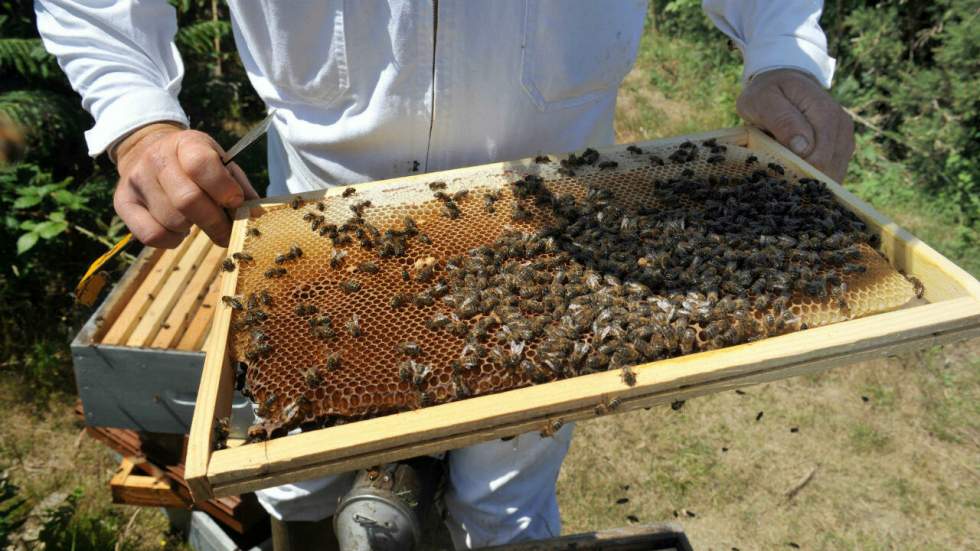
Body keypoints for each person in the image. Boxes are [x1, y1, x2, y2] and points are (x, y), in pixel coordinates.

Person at [36, 1, 854, 548]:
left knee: (505, 501)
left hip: (562, 236)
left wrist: (782, 50)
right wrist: (136, 116)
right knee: (298, 473)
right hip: (321, 228)